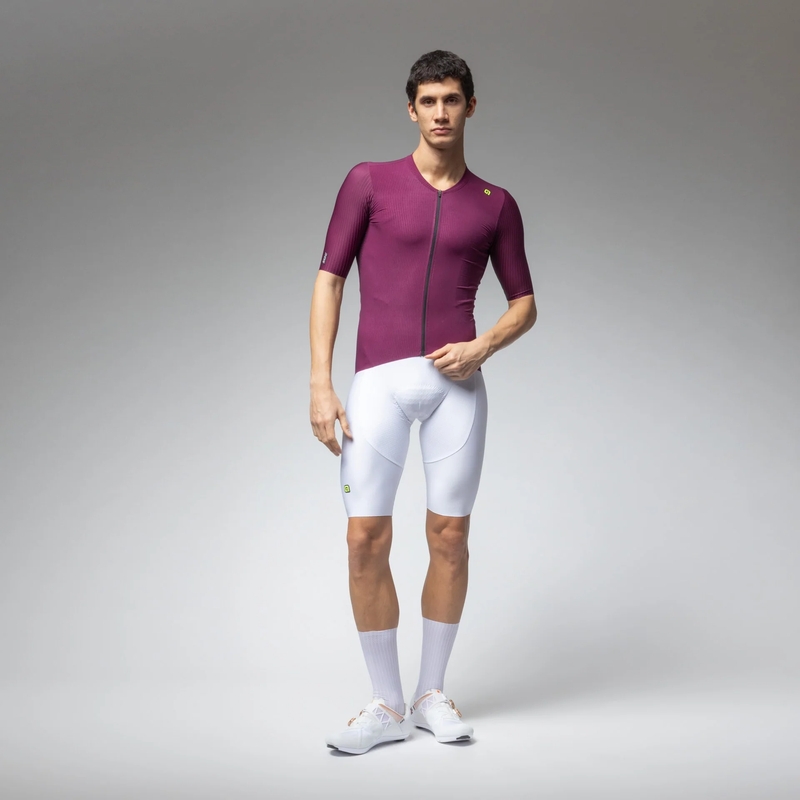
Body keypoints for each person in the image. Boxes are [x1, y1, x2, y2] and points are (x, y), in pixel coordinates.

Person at [309, 50, 537, 755]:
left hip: (455, 388)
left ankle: (432, 693)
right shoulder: (368, 182)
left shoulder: (495, 203)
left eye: (452, 100)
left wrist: (482, 346)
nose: (441, 113)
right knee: (363, 539)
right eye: (429, 101)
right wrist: (320, 382)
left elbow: (525, 303)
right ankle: (386, 704)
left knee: (449, 537)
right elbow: (329, 279)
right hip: (375, 383)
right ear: (411, 109)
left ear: (471, 107)